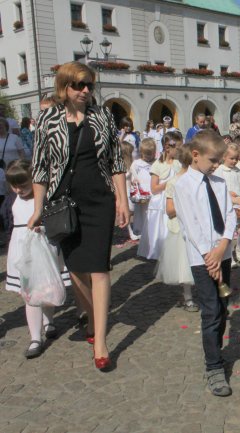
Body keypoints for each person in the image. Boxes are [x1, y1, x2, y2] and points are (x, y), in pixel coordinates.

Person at [29, 61, 129, 371]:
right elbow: (40, 167)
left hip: (99, 202)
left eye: (89, 85)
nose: (86, 91)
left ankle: (99, 340)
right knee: (75, 269)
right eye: (79, 85)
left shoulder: (102, 117)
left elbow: (116, 161)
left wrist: (122, 200)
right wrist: (37, 208)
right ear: (64, 87)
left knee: (99, 269)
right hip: (62, 205)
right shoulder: (48, 119)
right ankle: (89, 314)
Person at [174, 129, 236, 397]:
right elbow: (191, 224)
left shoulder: (220, 183)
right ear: (196, 155)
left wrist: (222, 246)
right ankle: (214, 366)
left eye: (219, 161)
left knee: (222, 307)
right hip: (201, 259)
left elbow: (229, 215)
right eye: (213, 160)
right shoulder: (182, 186)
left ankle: (217, 348)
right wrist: (208, 255)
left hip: (222, 254)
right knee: (210, 311)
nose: (217, 165)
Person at [4, 159, 71, 358]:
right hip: (22, 250)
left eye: (22, 186)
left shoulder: (42, 197)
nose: (17, 190)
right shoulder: (13, 199)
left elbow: (53, 220)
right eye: (14, 186)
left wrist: (43, 227)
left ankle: (49, 322)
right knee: (29, 294)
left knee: (47, 287)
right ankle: (35, 337)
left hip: (43, 247)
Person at [155, 143, 198, 312]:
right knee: (184, 265)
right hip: (180, 229)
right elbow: (170, 210)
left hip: (196, 227)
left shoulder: (197, 179)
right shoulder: (173, 182)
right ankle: (188, 298)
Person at [137, 131, 181, 260]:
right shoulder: (158, 165)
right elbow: (154, 188)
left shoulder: (178, 163)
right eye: (178, 148)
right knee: (161, 227)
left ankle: (174, 250)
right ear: (168, 148)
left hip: (175, 198)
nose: (180, 151)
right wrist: (170, 182)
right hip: (161, 201)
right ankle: (158, 250)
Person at [215, 143, 240, 265]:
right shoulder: (219, 170)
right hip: (226, 205)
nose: (235, 161)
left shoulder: (238, 170)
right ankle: (229, 255)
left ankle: (239, 248)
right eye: (232, 158)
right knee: (227, 232)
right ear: (224, 157)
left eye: (236, 158)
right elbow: (217, 187)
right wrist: (228, 192)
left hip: (239, 204)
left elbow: (238, 185)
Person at [130, 138, 156, 240]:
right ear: (141, 153)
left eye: (151, 154)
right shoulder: (137, 163)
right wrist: (134, 179)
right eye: (146, 154)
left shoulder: (156, 162)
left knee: (151, 211)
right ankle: (140, 230)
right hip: (142, 191)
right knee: (141, 212)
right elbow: (133, 173)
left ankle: (152, 229)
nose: (149, 157)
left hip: (152, 190)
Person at [120, 141, 140, 243]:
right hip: (125, 191)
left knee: (135, 210)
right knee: (128, 211)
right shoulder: (120, 166)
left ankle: (136, 229)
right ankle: (130, 231)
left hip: (132, 190)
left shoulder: (132, 164)